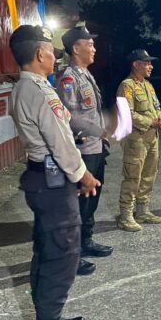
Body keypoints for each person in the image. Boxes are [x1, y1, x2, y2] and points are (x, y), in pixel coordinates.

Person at [8, 25, 100, 320]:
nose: (53, 57)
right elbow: (60, 142)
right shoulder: (39, 90)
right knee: (62, 255)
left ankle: (49, 318)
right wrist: (83, 175)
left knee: (47, 250)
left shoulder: (21, 88)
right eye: (51, 52)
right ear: (38, 54)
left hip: (40, 176)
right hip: (54, 180)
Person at [55, 26, 112, 276]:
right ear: (76, 48)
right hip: (83, 148)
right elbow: (70, 117)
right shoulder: (69, 78)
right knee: (79, 203)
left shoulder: (85, 75)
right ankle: (73, 253)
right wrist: (100, 130)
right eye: (89, 44)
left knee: (92, 198)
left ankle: (86, 241)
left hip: (96, 147)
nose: (94, 48)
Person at [116, 49, 161, 232]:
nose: (150, 66)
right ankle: (126, 215)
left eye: (150, 63)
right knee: (133, 177)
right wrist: (149, 121)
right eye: (146, 63)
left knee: (149, 174)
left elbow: (157, 106)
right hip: (136, 140)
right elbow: (126, 114)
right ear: (135, 64)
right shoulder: (126, 86)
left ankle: (143, 210)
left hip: (152, 137)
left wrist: (160, 118)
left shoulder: (148, 85)